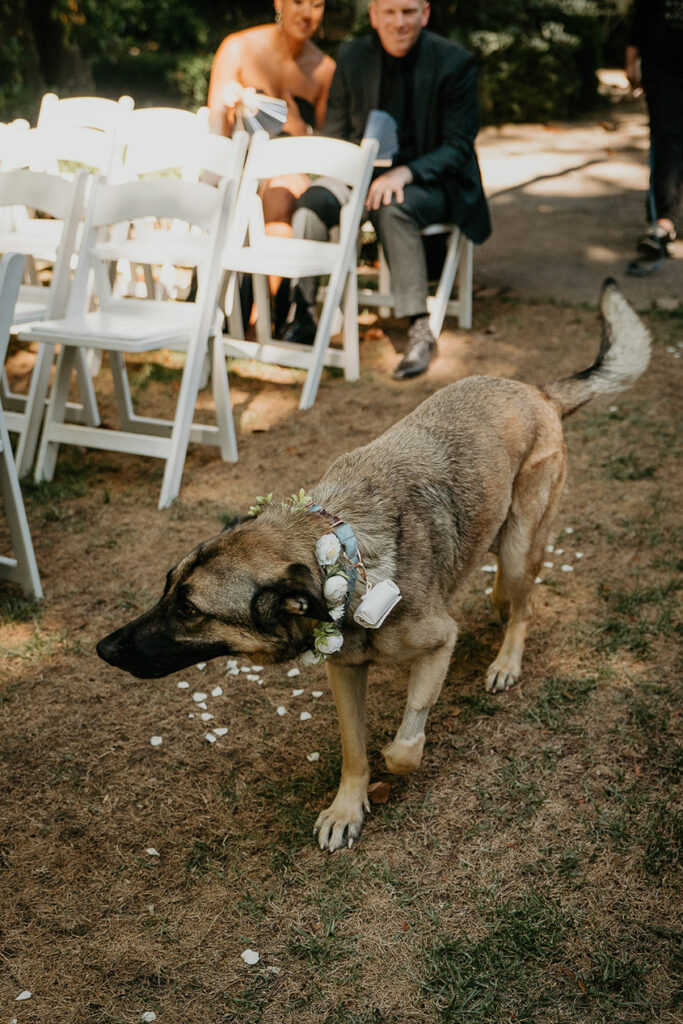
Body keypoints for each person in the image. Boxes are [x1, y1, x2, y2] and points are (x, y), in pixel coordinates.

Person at [281, 0, 491, 380]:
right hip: (359, 176)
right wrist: (347, 174)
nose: (399, 23)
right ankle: (304, 314)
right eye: (389, 13)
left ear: (425, 14)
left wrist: (406, 173)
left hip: (432, 181)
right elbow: (336, 132)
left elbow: (458, 147)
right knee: (313, 202)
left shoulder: (454, 62)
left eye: (408, 12)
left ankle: (420, 329)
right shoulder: (352, 54)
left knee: (392, 205)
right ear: (374, 15)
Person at [207, 0, 335, 318]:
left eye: (317, 5)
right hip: (236, 159)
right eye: (298, 2)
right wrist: (229, 105)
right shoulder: (238, 48)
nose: (307, 14)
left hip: (290, 163)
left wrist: (297, 129)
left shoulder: (324, 69)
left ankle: (271, 313)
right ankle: (254, 311)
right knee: (265, 190)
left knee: (285, 189)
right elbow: (216, 136)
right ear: (278, 2)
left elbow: (327, 146)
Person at [626, 0, 683, 260]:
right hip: (661, 69)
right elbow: (641, 16)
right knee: (666, 142)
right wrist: (631, 59)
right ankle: (663, 222)